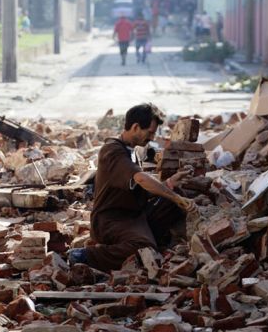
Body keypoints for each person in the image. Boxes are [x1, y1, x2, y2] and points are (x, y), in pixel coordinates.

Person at [67, 104, 197, 271]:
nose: (151, 137)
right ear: (135, 127)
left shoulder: (134, 152)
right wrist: (176, 198)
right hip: (111, 220)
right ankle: (86, 256)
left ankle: (155, 241)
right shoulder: (113, 150)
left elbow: (141, 189)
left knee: (173, 198)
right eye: (149, 132)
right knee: (143, 248)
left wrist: (170, 184)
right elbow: (142, 179)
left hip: (134, 215)